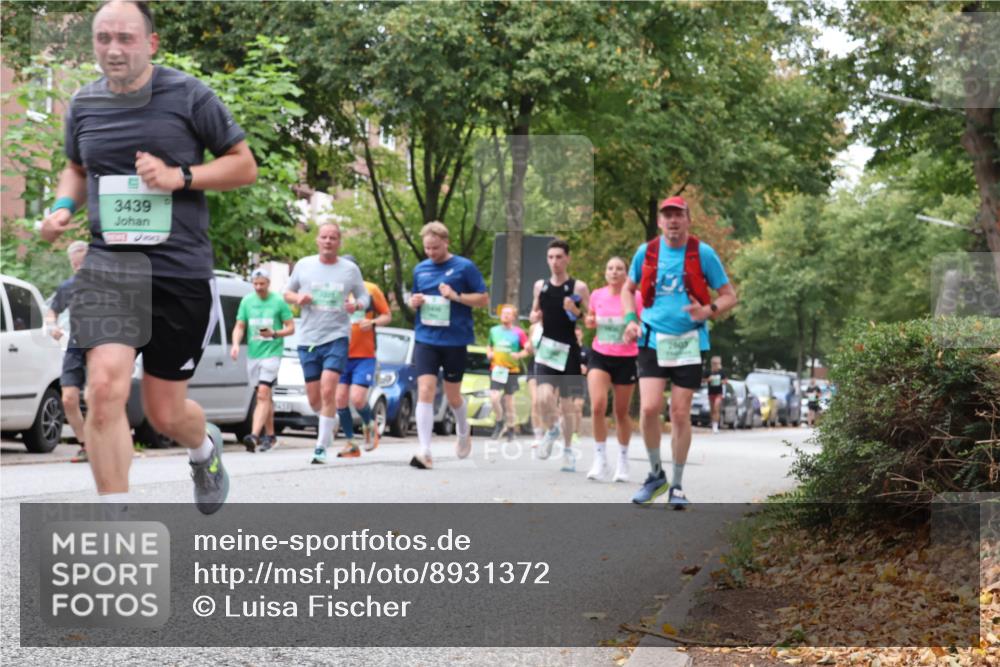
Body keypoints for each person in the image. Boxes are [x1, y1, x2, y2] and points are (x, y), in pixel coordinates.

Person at [39, 0, 258, 514]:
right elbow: (74, 166)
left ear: (151, 43)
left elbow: (243, 166)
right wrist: (60, 207)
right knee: (104, 386)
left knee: (164, 412)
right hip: (110, 267)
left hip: (178, 271)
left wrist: (179, 176)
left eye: (127, 38)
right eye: (103, 38)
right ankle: (116, 527)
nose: (114, 49)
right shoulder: (84, 104)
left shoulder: (189, 96)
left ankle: (204, 451)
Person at [621, 196, 737, 509]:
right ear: (660, 221)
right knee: (648, 409)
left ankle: (678, 483)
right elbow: (627, 289)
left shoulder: (703, 253)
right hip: (652, 338)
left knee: (680, 413)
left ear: (687, 219)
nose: (673, 221)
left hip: (689, 341)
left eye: (678, 215)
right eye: (667, 216)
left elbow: (729, 296)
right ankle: (656, 473)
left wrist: (708, 310)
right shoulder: (647, 252)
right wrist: (631, 320)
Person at [285, 223, 370, 463]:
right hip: (309, 337)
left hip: (337, 336)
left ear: (339, 242)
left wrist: (357, 305)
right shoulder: (304, 265)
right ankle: (327, 422)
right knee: (314, 400)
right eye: (324, 237)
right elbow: (287, 293)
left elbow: (364, 296)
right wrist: (298, 297)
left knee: (328, 388)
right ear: (317, 240)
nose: (328, 241)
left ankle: (320, 446)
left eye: (333, 237)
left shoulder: (350, 270)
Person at [407, 222, 489, 469]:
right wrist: (414, 301)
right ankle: (425, 450)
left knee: (453, 396)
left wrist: (456, 297)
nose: (431, 252)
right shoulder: (420, 269)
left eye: (435, 247)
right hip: (426, 338)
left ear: (446, 242)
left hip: (455, 340)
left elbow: (483, 299)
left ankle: (463, 430)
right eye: (427, 248)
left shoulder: (464, 267)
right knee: (425, 390)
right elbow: (413, 298)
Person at [530, 239, 590, 470]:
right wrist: (535, 316)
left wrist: (575, 311)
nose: (555, 262)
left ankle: (567, 451)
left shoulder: (578, 287)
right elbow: (535, 311)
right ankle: (552, 428)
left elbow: (591, 318)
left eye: (559, 257)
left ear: (568, 259)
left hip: (569, 351)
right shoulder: (540, 286)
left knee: (567, 405)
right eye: (551, 257)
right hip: (547, 349)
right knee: (543, 398)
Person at [584, 256, 640, 483]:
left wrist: (635, 329)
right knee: (597, 406)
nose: (614, 272)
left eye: (619, 269)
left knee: (621, 412)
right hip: (600, 355)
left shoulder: (636, 297)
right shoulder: (597, 295)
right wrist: (590, 320)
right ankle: (600, 459)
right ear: (605, 273)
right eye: (610, 268)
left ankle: (623, 460)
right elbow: (591, 319)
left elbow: (644, 323)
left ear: (626, 273)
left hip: (627, 357)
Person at [230, 267, 294, 453]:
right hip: (254, 355)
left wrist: (275, 333)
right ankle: (271, 436)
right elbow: (240, 326)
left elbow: (291, 328)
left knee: (262, 395)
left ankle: (254, 436)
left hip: (272, 353)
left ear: (268, 283)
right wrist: (235, 344)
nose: (258, 287)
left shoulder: (278, 302)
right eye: (255, 284)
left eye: (262, 284)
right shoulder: (247, 301)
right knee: (265, 398)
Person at [337, 254, 392, 453]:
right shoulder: (335, 290)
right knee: (340, 399)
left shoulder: (370, 290)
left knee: (358, 398)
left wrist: (374, 322)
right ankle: (351, 442)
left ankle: (369, 426)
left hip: (364, 354)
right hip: (340, 352)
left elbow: (387, 315)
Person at [45, 241, 89, 463]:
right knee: (69, 399)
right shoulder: (69, 286)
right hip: (75, 344)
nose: (79, 268)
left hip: (104, 344)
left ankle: (111, 444)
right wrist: (52, 327)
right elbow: (51, 310)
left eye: (84, 263)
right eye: (75, 265)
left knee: (98, 397)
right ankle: (86, 445)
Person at [486, 304, 530, 442]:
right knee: (494, 398)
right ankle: (499, 422)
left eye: (508, 313)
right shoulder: (494, 331)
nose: (505, 315)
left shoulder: (519, 332)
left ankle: (511, 428)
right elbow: (489, 345)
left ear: (513, 317)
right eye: (503, 313)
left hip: (511, 370)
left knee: (509, 401)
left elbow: (527, 349)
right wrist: (489, 353)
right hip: (497, 369)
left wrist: (519, 355)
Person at [704, 356, 727, 433]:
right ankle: (712, 422)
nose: (716, 365)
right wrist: (708, 380)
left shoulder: (721, 372)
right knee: (712, 410)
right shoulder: (708, 372)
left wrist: (721, 381)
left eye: (718, 363)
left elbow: (725, 381)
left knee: (716, 407)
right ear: (712, 364)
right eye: (715, 363)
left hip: (718, 393)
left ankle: (715, 426)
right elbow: (702, 380)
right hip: (711, 393)